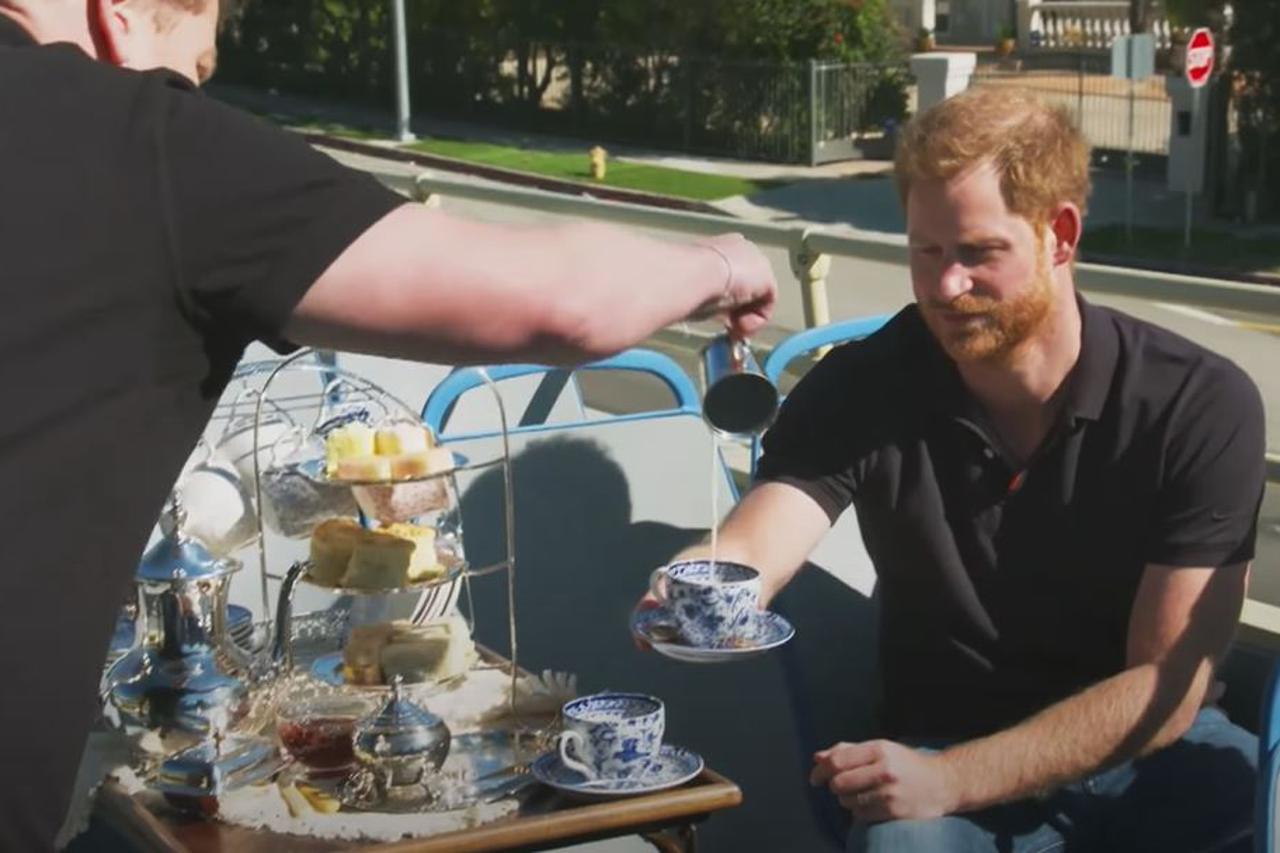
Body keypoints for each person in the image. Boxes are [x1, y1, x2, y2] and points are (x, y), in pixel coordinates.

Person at [0, 1, 777, 849]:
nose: (187, 94)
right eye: (195, 66)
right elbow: (561, 303)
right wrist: (725, 262)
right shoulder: (141, 141)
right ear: (120, 15)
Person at [641, 87, 1265, 852]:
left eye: (977, 253)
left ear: (1061, 235)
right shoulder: (866, 384)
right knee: (904, 842)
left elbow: (1167, 686)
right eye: (925, 252)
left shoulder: (1196, 403)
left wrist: (955, 778)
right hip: (946, 748)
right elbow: (765, 534)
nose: (944, 287)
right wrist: (694, 583)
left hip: (1147, 753)